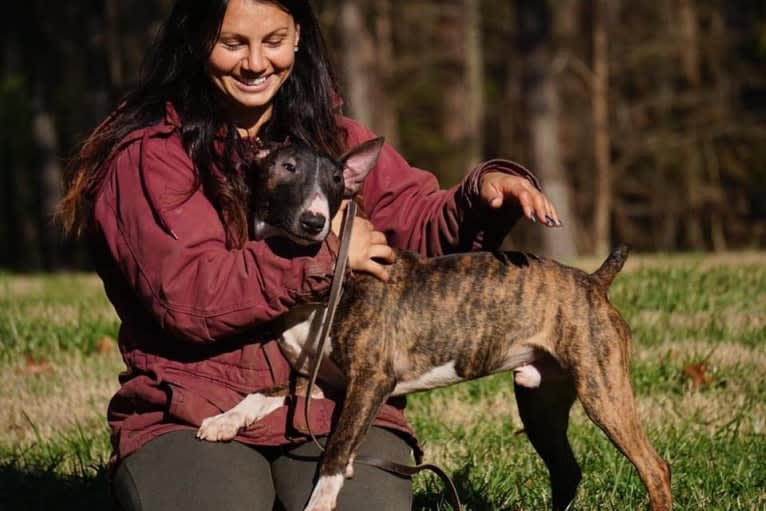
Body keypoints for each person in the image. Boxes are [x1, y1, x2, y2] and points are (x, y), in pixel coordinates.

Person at [58, 1, 561, 510]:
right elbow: (186, 298)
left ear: (298, 35)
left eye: (273, 41)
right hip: (193, 408)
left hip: (333, 406)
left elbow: (417, 237)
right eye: (233, 43)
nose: (256, 63)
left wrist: (480, 200)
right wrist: (326, 258)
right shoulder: (150, 155)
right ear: (196, 39)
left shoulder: (337, 139)